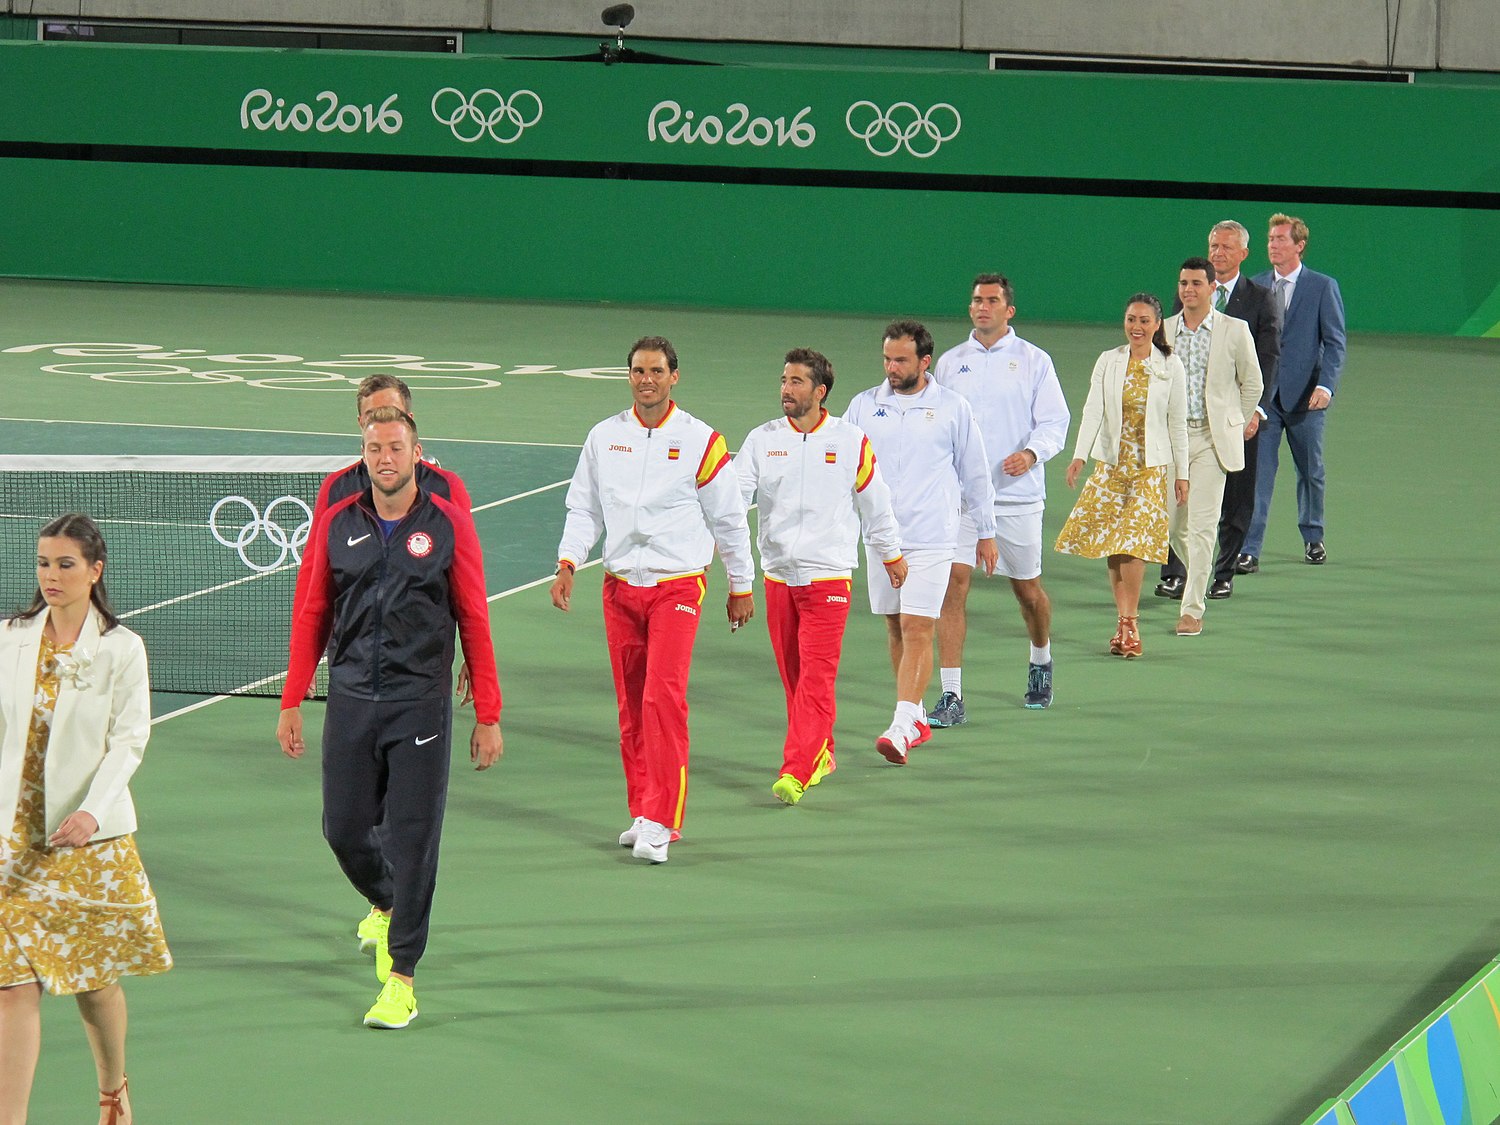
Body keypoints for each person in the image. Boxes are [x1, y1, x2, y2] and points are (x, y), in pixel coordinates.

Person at [277, 406, 503, 1031]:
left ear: (415, 452)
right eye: (374, 448)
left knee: (413, 837)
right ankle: (386, 900)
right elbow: (312, 614)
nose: (384, 458)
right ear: (364, 454)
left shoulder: (449, 526)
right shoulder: (335, 525)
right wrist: (293, 698)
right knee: (343, 829)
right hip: (350, 701)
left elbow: (475, 620)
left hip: (419, 705)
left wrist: (489, 712)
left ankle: (402, 976)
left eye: (396, 447)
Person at [550, 336, 754, 863]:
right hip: (619, 588)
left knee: (663, 699)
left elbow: (728, 519)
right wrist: (569, 561)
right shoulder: (604, 437)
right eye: (638, 370)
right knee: (631, 703)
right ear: (629, 376)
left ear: (674, 377)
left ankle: (664, 820)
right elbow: (584, 509)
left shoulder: (702, 440)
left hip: (678, 586)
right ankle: (642, 808)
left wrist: (741, 583)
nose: (647, 379)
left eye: (657, 371)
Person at [1, 513, 171, 1125]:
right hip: (14, 841)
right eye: (43, 562)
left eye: (65, 564)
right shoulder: (11, 636)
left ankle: (111, 1089)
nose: (51, 575)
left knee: (94, 983)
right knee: (12, 984)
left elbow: (129, 741)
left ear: (95, 571)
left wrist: (91, 813)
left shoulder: (122, 649)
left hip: (84, 838)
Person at [737, 348, 906, 806]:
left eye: (796, 382)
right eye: (783, 380)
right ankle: (823, 751)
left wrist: (890, 554)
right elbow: (732, 498)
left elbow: (876, 503)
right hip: (777, 577)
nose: (786, 390)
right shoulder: (762, 440)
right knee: (794, 676)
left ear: (820, 391)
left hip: (828, 577)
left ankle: (796, 769)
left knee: (816, 676)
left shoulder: (851, 440)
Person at [843, 321, 996, 764]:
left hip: (932, 536)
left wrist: (985, 531)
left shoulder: (952, 407)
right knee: (895, 625)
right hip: (882, 537)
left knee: (917, 626)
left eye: (901, 360)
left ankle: (902, 721)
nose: (892, 367)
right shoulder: (863, 406)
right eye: (887, 359)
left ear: (925, 362)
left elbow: (975, 472)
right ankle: (914, 717)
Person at [929, 273, 1070, 720]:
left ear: (1009, 310)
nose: (982, 307)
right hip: (963, 500)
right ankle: (952, 695)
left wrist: (1031, 453)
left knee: (1027, 591)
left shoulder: (1034, 361)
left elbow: (1055, 422)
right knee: (953, 583)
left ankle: (1041, 659)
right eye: (976, 300)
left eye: (992, 300)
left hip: (1017, 498)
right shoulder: (950, 363)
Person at [1056, 295, 1189, 658]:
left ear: (1157, 325)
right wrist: (1080, 456)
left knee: (1134, 544)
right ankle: (1123, 622)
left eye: (1144, 321)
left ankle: (1130, 623)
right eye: (1131, 319)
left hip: (1150, 468)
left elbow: (1177, 421)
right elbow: (1093, 408)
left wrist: (1183, 472)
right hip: (1112, 467)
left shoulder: (1171, 365)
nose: (1136, 327)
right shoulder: (1108, 361)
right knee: (1113, 546)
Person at [1156, 220, 1280, 600]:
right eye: (1214, 245)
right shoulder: (1187, 295)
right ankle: (1176, 573)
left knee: (1237, 499)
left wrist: (1252, 413)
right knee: (1178, 501)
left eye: (1226, 247)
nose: (1218, 252)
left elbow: (1267, 357)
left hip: (1239, 418)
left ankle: (1224, 571)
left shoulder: (1260, 297)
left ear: (1243, 253)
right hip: (1186, 425)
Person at [1241, 212, 1346, 570]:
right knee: (1257, 476)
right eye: (1270, 239)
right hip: (1263, 402)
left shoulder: (1322, 286)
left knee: (1311, 472)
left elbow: (1335, 343)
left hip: (1307, 400)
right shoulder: (1253, 287)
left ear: (1299, 246)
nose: (1273, 245)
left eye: (1281, 239)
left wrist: (1326, 386)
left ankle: (1313, 538)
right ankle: (1249, 548)